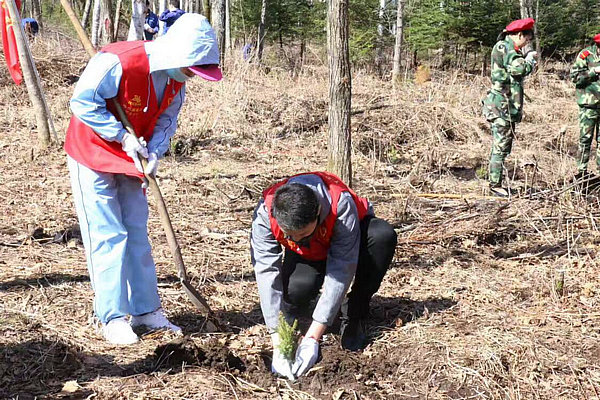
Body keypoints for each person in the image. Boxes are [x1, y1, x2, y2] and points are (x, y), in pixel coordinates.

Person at [64, 14, 222, 345]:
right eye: (191, 69)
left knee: (136, 231)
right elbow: (82, 102)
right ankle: (111, 315)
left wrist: (154, 153)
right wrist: (120, 136)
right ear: (178, 53)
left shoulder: (176, 79)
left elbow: (167, 120)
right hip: (91, 150)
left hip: (133, 155)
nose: (189, 77)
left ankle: (146, 310)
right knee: (108, 234)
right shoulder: (117, 62)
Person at [251, 172, 398, 379]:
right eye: (289, 235)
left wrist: (313, 337)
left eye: (302, 234)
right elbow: (266, 271)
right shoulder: (266, 211)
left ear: (318, 212)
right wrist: (277, 336)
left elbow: (341, 268)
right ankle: (313, 310)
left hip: (353, 241)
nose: (295, 239)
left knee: (382, 235)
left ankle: (353, 312)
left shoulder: (340, 204)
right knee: (295, 292)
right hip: (310, 252)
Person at [481, 18, 537, 197]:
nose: (526, 44)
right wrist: (529, 61)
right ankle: (494, 185)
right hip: (500, 106)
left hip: (507, 107)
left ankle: (496, 180)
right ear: (519, 35)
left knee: (505, 146)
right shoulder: (504, 47)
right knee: (500, 145)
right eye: (526, 40)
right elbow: (517, 69)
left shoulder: (510, 49)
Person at [570, 34, 600, 178]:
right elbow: (575, 78)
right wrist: (594, 72)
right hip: (589, 104)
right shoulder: (585, 55)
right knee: (585, 139)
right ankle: (581, 173)